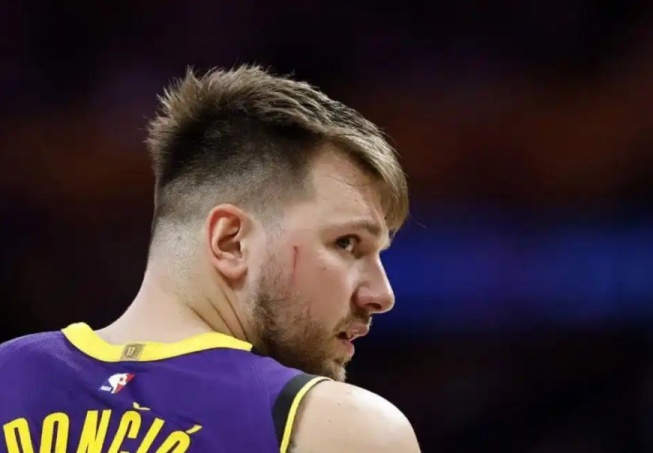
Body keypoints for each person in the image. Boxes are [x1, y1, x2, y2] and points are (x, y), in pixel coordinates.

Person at [0, 65, 420, 453]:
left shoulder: (9, 379)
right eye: (346, 243)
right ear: (231, 242)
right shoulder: (344, 429)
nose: (381, 295)